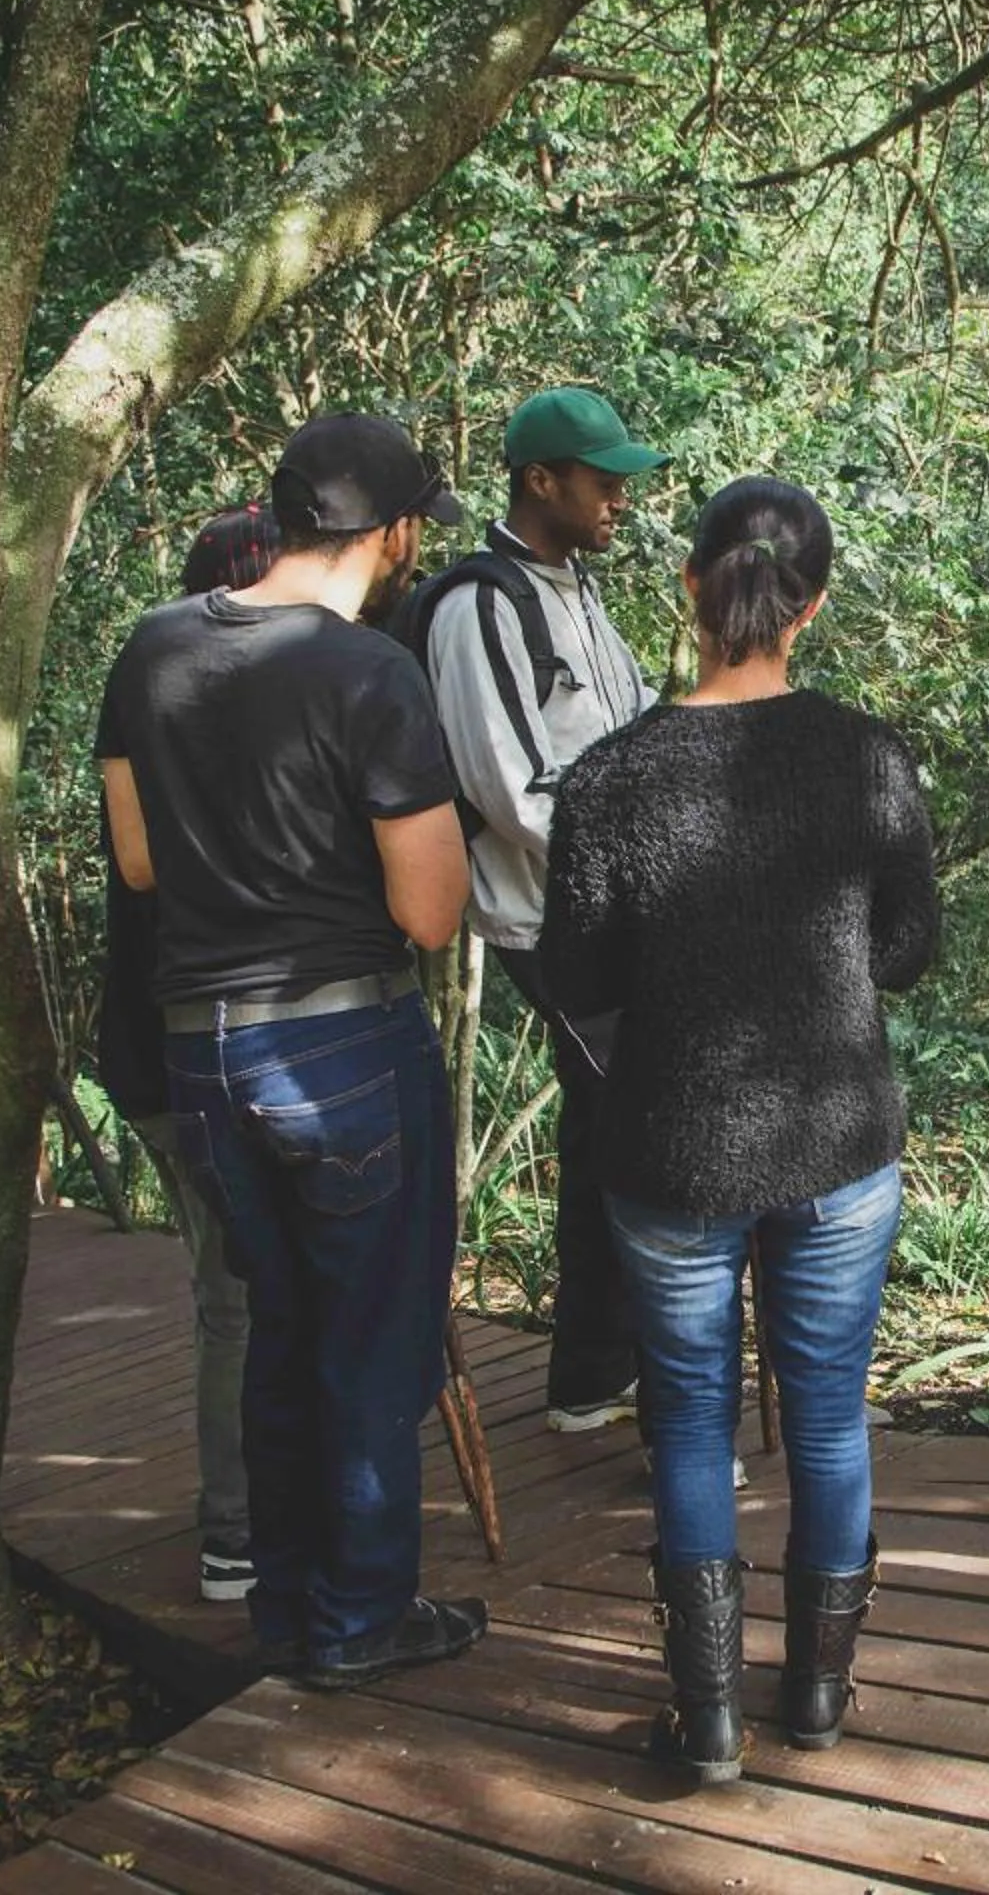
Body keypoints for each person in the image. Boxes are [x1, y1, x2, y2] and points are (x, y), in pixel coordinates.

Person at [538, 476, 940, 1785]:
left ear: (688, 588)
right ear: (809, 606)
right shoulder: (870, 759)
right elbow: (909, 951)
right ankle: (816, 1701)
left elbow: (578, 977)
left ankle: (707, 1721)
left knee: (694, 1427)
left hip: (668, 1151)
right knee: (826, 1425)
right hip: (837, 1144)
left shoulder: (611, 778)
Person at [96, 414, 485, 1687]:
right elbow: (430, 912)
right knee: (374, 1339)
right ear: (396, 533)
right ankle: (361, 1617)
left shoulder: (153, 649)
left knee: (275, 1325)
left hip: (200, 1050)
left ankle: (285, 1599)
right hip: (343, 1043)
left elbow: (142, 860)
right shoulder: (371, 675)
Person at [418, 387, 668, 1435]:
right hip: (550, 919)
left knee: (613, 1125)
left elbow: (632, 728)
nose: (621, 497)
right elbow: (510, 786)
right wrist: (646, 856)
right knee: (633, 1121)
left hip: (617, 906)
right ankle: (615, 1369)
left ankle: (592, 1373)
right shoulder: (480, 606)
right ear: (539, 479)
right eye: (603, 479)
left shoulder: (575, 591)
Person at [91, 503, 275, 1605]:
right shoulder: (178, 707)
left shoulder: (159, 698)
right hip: (186, 1049)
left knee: (244, 1288)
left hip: (167, 1048)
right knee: (237, 1294)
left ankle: (259, 1513)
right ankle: (237, 1531)